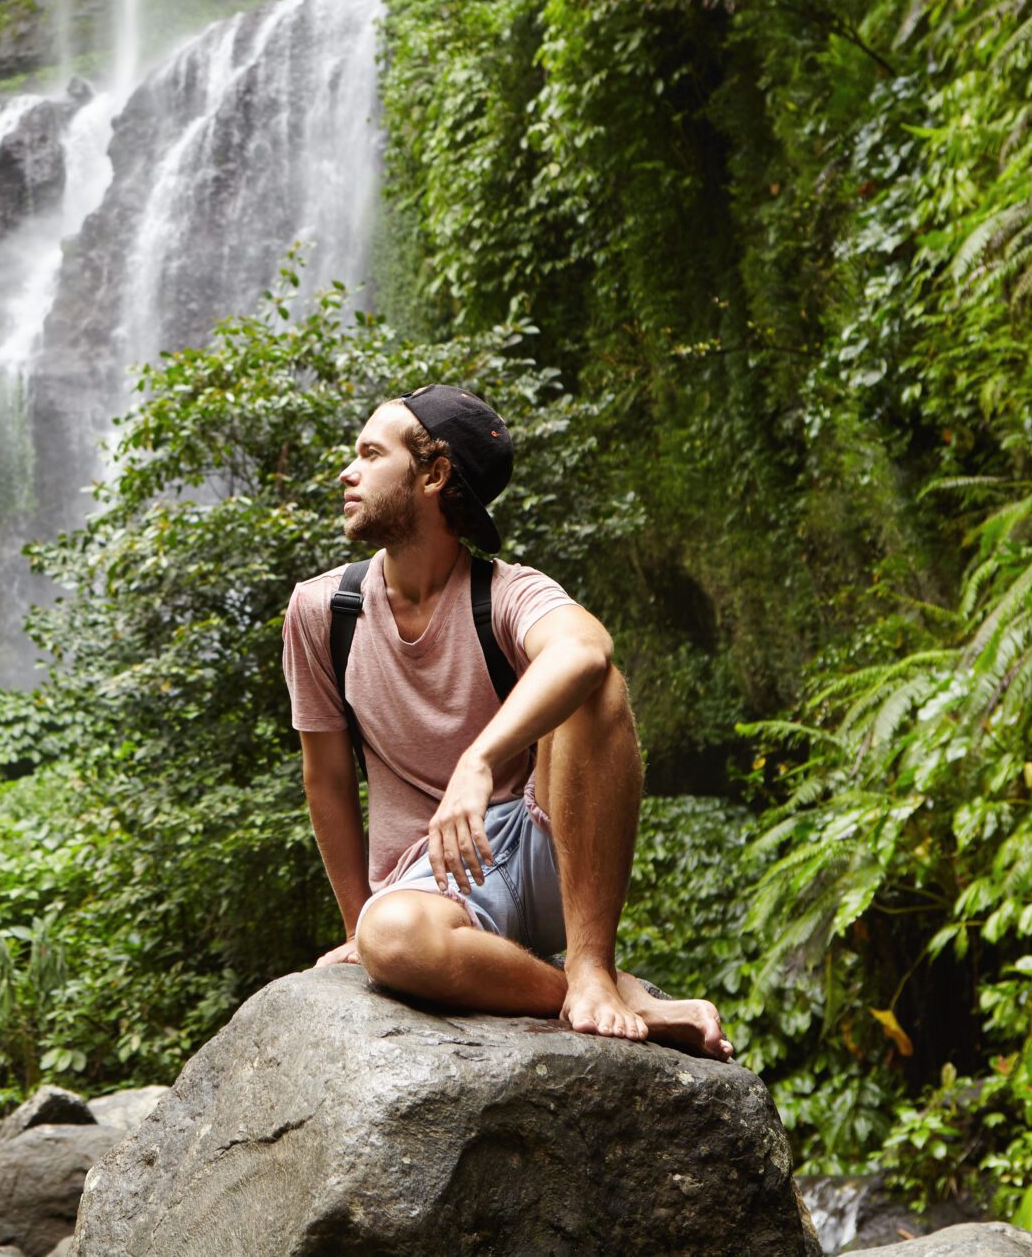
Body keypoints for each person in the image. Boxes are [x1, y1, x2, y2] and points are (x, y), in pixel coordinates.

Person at [280, 385, 733, 1059]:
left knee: (595, 686)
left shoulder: (506, 592)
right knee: (390, 937)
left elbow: (586, 649)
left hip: (546, 844)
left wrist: (480, 761)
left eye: (371, 455)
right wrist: (357, 926)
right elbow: (326, 779)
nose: (348, 473)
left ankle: (591, 964)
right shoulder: (323, 612)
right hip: (432, 884)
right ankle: (592, 990)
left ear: (433, 475)